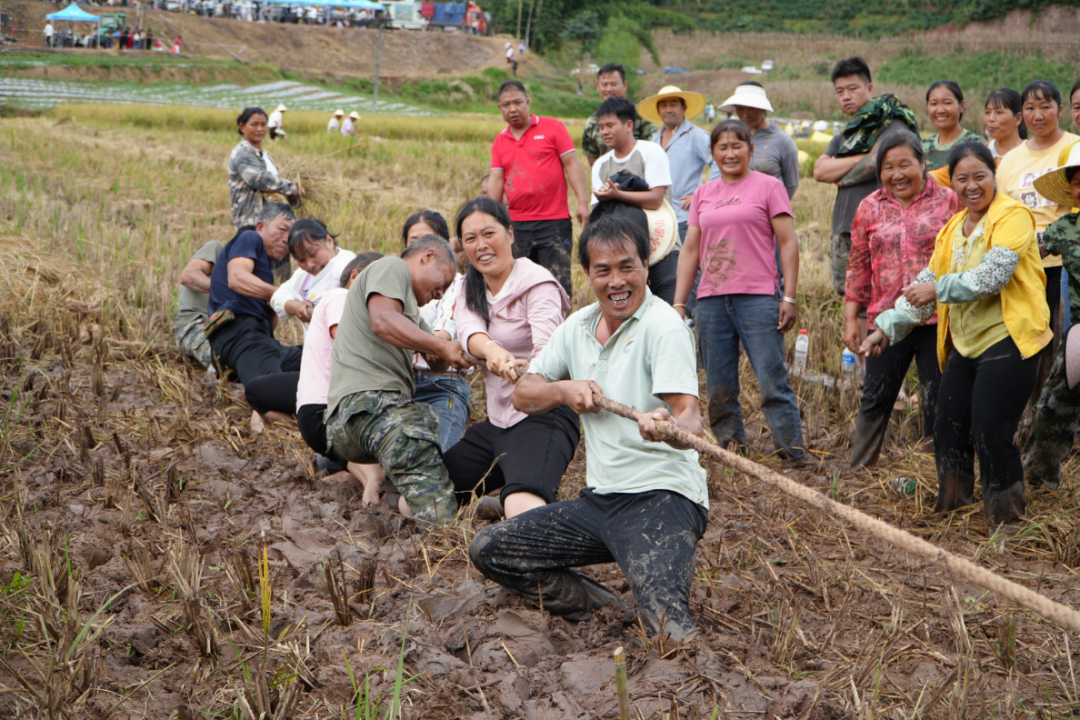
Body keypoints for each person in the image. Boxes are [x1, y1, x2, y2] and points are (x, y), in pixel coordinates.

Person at [471, 215, 709, 642]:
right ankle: (609, 610)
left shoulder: (664, 327)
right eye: (603, 270)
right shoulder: (578, 327)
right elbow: (525, 394)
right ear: (587, 275)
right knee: (491, 550)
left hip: (662, 498)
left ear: (646, 267)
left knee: (668, 631)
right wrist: (563, 390)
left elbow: (690, 415)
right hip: (601, 501)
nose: (616, 281)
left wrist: (669, 425)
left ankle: (650, 617)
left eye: (626, 267)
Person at [862, 142, 1051, 526]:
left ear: (993, 175)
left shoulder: (1013, 215)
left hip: (1009, 340)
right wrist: (887, 327)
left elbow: (992, 277)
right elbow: (927, 282)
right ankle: (953, 512)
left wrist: (937, 288)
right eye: (962, 178)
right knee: (947, 426)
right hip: (967, 344)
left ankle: (1008, 522)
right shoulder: (953, 228)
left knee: (990, 431)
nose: (972, 185)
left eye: (979, 176)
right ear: (953, 183)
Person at [672, 119, 806, 465]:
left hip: (759, 297)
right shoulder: (704, 193)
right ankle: (732, 450)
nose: (730, 153)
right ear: (713, 152)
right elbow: (690, 251)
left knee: (772, 379)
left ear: (750, 149)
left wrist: (788, 296)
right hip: (712, 300)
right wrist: (679, 303)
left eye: (737, 146)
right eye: (722, 147)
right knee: (718, 384)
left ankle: (792, 453)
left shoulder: (768, 187)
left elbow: (788, 242)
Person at [323, 237, 471, 524]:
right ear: (427, 257)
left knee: (425, 422)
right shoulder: (391, 267)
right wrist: (439, 347)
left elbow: (436, 360)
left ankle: (395, 496)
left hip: (358, 419)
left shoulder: (410, 314)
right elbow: (382, 321)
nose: (441, 294)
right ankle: (446, 526)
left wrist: (453, 351)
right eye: (444, 281)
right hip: (369, 406)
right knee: (421, 455)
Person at [444, 198, 576, 520]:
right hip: (497, 421)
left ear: (511, 234)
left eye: (489, 233)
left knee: (521, 513)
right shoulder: (469, 286)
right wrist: (492, 351)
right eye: (471, 239)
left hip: (541, 416)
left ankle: (515, 492)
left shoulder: (538, 284)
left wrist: (519, 366)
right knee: (423, 498)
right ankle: (497, 496)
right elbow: (467, 327)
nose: (481, 245)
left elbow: (548, 354)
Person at [843, 132, 960, 467]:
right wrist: (852, 318)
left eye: (905, 164)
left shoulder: (949, 201)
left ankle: (933, 473)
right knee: (875, 397)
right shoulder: (869, 207)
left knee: (935, 399)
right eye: (888, 167)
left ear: (924, 163)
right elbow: (858, 268)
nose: (897, 174)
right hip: (887, 320)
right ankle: (858, 472)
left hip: (938, 318)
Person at [247, 252, 388, 502]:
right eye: (377, 281)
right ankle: (369, 483)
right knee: (371, 469)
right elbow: (344, 337)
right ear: (355, 277)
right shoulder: (341, 296)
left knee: (353, 459)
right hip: (328, 411)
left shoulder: (352, 306)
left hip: (316, 414)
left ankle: (359, 474)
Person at [997, 80, 1080, 395]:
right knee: (1030, 338)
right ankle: (1031, 406)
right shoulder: (1011, 161)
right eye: (1030, 108)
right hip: (1026, 262)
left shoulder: (1074, 147)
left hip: (1067, 262)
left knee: (1064, 338)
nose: (1038, 114)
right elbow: (1002, 211)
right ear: (1021, 116)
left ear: (1060, 110)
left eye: (1045, 106)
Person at [813, 57, 920, 298]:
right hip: (845, 227)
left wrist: (842, 167)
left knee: (887, 297)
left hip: (883, 227)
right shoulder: (846, 135)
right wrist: (865, 156)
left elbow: (877, 163)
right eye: (839, 91)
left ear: (869, 89)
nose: (846, 96)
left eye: (853, 89)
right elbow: (819, 171)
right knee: (853, 298)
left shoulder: (892, 122)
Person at [486, 80, 591, 296]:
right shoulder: (500, 141)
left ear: (528, 102)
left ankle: (560, 328)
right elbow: (496, 179)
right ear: (500, 108)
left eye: (517, 102)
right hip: (516, 225)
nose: (512, 109)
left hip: (553, 222)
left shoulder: (552, 127)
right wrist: (489, 217)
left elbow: (571, 164)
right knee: (520, 286)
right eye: (506, 105)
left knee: (558, 284)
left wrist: (582, 201)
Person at [207, 202, 303, 431]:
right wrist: (283, 297)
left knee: (311, 357)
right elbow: (237, 278)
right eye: (282, 230)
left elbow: (271, 317)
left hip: (258, 340)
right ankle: (265, 418)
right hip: (242, 333)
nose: (286, 239)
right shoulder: (250, 238)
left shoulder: (265, 269)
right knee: (271, 397)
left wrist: (275, 303)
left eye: (291, 235)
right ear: (261, 226)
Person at [1025, 145, 1080, 489]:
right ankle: (1038, 479)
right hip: (1078, 334)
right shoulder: (1064, 229)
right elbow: (1025, 249)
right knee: (1055, 406)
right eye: (1077, 182)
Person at [591, 97, 678, 304]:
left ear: (629, 125)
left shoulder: (650, 152)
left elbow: (657, 199)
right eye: (601, 127)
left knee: (666, 312)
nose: (604, 132)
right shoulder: (601, 165)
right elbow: (599, 214)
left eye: (610, 125)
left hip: (661, 248)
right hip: (621, 257)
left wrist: (617, 195)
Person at [402, 210, 472, 453]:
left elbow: (444, 333)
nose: (423, 250)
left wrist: (437, 345)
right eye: (414, 241)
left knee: (436, 456)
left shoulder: (459, 286)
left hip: (441, 385)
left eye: (428, 240)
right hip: (398, 384)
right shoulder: (393, 284)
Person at [637, 85, 719, 240]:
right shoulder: (653, 140)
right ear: (658, 110)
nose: (668, 109)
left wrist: (701, 193)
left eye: (673, 104)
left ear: (684, 108)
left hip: (686, 218)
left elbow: (718, 164)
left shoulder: (697, 136)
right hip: (657, 218)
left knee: (688, 262)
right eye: (664, 105)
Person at [228, 107, 301, 281]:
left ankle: (281, 303)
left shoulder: (264, 155)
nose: (260, 129)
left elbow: (274, 187)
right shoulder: (242, 153)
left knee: (280, 274)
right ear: (242, 126)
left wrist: (293, 198)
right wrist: (292, 187)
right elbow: (260, 180)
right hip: (252, 223)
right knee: (258, 274)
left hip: (273, 222)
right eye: (254, 124)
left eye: (263, 124)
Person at [270, 219, 357, 336]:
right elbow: (278, 297)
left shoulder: (345, 269)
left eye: (313, 254)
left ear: (329, 241)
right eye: (301, 260)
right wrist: (295, 306)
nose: (309, 264)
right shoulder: (305, 274)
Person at [718, 82, 800, 199]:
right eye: (740, 108)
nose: (745, 115)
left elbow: (792, 184)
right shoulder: (731, 136)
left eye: (751, 108)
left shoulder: (783, 141)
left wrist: (778, 210)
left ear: (762, 108)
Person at [582, 64, 658, 169]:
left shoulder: (642, 117)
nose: (609, 89)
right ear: (598, 86)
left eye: (614, 84)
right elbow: (593, 158)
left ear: (625, 85)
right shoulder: (592, 122)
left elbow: (652, 151)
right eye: (604, 84)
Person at [174, 240, 226, 371]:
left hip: (220, 328)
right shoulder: (216, 248)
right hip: (194, 324)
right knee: (222, 359)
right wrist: (226, 291)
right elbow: (188, 275)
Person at [921, 80, 983, 172]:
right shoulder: (921, 148)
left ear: (961, 106)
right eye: (934, 104)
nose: (940, 110)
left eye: (947, 103)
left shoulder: (976, 144)